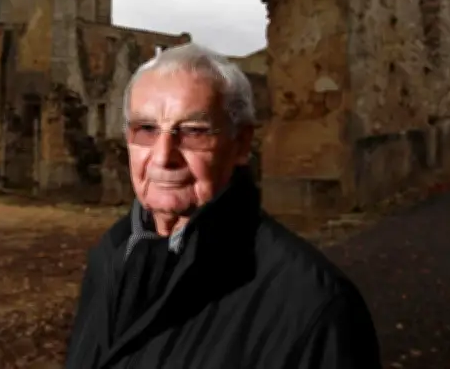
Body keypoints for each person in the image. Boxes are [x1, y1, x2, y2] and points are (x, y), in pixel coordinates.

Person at [64, 43, 381, 368]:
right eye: (146, 130)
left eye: (192, 132)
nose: (162, 157)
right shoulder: (111, 255)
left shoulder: (313, 306)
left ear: (241, 144)